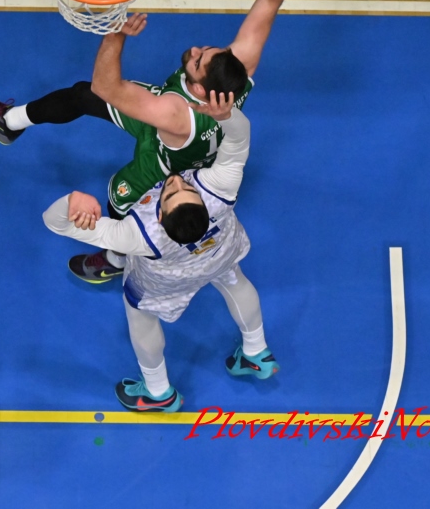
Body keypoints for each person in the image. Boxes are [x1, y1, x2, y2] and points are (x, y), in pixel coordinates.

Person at [0, 0, 308, 284]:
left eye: (198, 60)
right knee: (82, 96)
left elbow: (107, 87)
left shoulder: (174, 112)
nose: (196, 49)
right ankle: (10, 121)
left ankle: (115, 258)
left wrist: (117, 34)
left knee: (120, 198)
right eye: (206, 50)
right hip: (183, 131)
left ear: (200, 90)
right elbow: (270, 0)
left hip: (165, 159)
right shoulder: (237, 71)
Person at [43, 94, 277, 412]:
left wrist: (70, 202)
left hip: (165, 281)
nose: (176, 180)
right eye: (185, 188)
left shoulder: (138, 234)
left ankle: (158, 392)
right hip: (220, 252)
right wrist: (228, 116)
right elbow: (238, 139)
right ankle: (256, 352)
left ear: (161, 216)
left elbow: (55, 223)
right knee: (235, 280)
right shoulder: (221, 187)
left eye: (171, 192)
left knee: (141, 316)